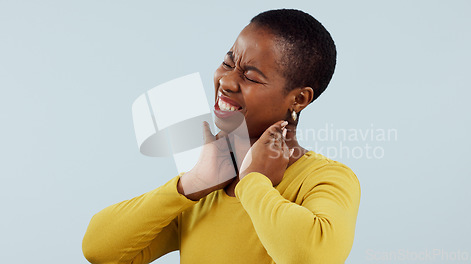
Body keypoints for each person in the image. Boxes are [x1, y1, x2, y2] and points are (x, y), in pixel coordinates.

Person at [82, 9, 360, 264]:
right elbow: (99, 249)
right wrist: (189, 185)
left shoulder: (325, 179)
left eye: (251, 77)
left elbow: (310, 257)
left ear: (298, 99)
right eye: (228, 63)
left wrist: (253, 182)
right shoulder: (205, 186)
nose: (226, 81)